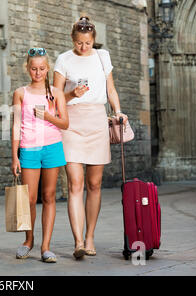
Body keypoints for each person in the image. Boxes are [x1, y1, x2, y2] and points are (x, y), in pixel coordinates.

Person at [53, 16, 128, 259]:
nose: (83, 47)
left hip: (97, 121)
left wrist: (118, 112)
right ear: (72, 39)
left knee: (94, 184)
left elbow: (111, 90)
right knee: (75, 183)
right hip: (71, 122)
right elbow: (54, 99)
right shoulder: (63, 59)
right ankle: (77, 242)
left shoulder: (102, 56)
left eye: (87, 43)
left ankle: (90, 237)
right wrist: (71, 93)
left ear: (93, 40)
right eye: (78, 43)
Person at [11, 48, 69, 263]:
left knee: (49, 196)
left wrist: (46, 115)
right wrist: (14, 156)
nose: (38, 72)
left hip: (52, 147)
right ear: (28, 68)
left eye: (42, 68)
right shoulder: (20, 93)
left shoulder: (56, 93)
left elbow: (65, 123)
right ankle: (29, 241)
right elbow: (16, 124)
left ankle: (46, 246)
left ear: (48, 69)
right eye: (34, 68)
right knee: (29, 199)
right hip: (28, 148)